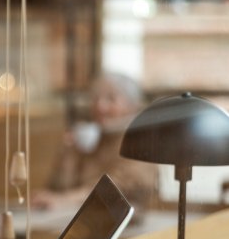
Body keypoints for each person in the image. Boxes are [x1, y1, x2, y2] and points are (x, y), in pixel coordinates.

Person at [32, 72, 158, 216]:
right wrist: (68, 155)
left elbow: (114, 190)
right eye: (95, 99)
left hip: (128, 227)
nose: (100, 107)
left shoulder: (140, 144)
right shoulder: (93, 139)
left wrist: (64, 199)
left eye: (110, 99)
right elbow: (57, 189)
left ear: (132, 106)